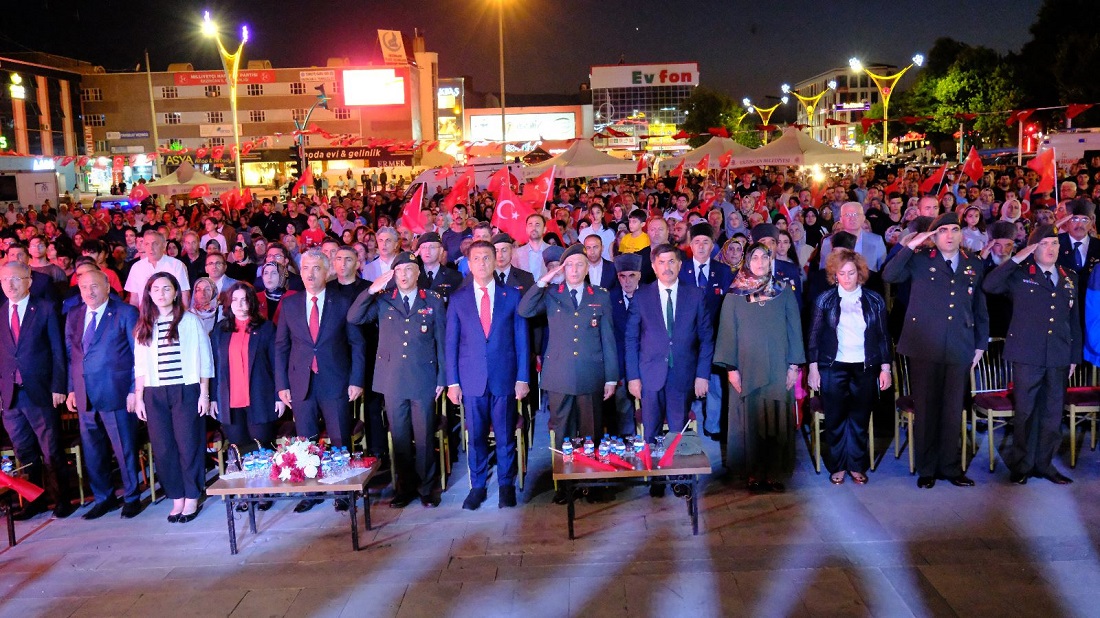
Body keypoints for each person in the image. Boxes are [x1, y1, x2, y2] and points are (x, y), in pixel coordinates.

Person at [882, 212, 988, 489]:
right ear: (934, 236)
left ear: (961, 234)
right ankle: (927, 468)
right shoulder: (918, 260)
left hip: (959, 345)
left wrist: (980, 344)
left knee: (953, 410)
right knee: (927, 410)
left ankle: (951, 467)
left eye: (955, 229)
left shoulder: (973, 263)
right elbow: (890, 274)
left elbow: (979, 307)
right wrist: (912, 244)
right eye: (942, 231)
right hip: (924, 344)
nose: (950, 235)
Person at [518, 244, 618, 504]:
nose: (574, 270)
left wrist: (611, 377)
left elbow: (608, 338)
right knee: (563, 434)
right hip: (559, 375)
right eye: (569, 265)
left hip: (590, 374)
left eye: (579, 265)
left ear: (587, 269)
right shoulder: (552, 294)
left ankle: (591, 483)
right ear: (563, 269)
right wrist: (545, 279)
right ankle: (565, 486)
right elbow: (525, 310)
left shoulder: (600, 295)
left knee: (591, 432)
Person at [348, 252, 446, 508]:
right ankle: (404, 488)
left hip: (423, 377)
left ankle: (426, 489)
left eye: (409, 270)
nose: (404, 275)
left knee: (424, 437)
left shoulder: (433, 300)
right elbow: (354, 317)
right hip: (392, 380)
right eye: (399, 270)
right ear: (392, 275)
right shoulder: (383, 301)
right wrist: (371, 289)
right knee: (400, 436)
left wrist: (443, 378)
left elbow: (442, 342)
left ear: (418, 273)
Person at [984, 225, 1079, 485]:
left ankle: (1045, 464)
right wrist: (1016, 257)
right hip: (1027, 353)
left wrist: (1073, 356)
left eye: (1055, 244)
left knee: (1052, 413)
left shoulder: (1069, 276)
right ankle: (1022, 464)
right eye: (1044, 244)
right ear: (1033, 248)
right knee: (1025, 412)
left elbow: (1074, 320)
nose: (1051, 249)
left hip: (1058, 354)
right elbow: (990, 285)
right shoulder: (1020, 274)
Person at [275, 249, 366, 513]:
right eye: (305, 268)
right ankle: (311, 491)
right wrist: (282, 384)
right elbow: (281, 346)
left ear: (327, 271)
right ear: (299, 272)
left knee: (339, 438)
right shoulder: (290, 304)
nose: (310, 274)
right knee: (305, 440)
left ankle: (341, 492)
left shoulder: (343, 301)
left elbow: (357, 344)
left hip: (336, 381)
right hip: (300, 383)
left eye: (316, 268)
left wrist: (356, 379)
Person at [445, 240, 529, 510]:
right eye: (476, 259)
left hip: (504, 377)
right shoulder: (458, 299)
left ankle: (506, 484)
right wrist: (453, 382)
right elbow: (451, 343)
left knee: (505, 435)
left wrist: (523, 377)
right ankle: (478, 486)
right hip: (471, 380)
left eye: (486, 258)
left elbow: (522, 340)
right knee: (477, 436)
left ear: (496, 261)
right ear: (469, 264)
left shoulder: (512, 296)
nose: (481, 263)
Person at [713, 243, 804, 493]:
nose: (761, 262)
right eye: (755, 257)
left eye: (765, 257)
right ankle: (752, 473)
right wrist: (731, 368)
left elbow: (795, 329)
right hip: (746, 368)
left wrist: (794, 366)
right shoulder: (734, 295)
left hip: (778, 368)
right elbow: (727, 334)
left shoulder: (784, 291)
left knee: (775, 420)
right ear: (747, 262)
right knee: (749, 421)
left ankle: (774, 473)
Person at [625, 244, 713, 496]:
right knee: (651, 431)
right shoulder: (642, 296)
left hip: (682, 375)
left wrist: (702, 374)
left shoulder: (695, 295)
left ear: (679, 265)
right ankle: (656, 480)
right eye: (661, 262)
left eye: (671, 261)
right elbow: (631, 339)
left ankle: (679, 478)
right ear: (653, 266)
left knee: (678, 430)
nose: (667, 267)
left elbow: (706, 338)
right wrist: (633, 377)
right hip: (649, 375)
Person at [806, 249, 892, 485]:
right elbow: (813, 336)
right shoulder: (824, 299)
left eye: (851, 273)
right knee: (835, 419)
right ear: (835, 275)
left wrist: (886, 368)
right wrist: (813, 368)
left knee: (859, 418)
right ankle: (837, 466)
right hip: (833, 366)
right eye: (841, 273)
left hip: (865, 366)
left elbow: (884, 336)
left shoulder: (874, 300)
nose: (846, 277)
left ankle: (856, 465)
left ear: (860, 274)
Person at [133, 272, 214, 523]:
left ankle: (192, 496)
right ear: (149, 294)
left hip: (185, 390)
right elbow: (140, 366)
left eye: (166, 289)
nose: (161, 293)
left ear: (176, 292)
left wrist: (204, 394)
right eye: (156, 289)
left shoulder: (189, 320)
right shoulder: (144, 324)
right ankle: (176, 496)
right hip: (155, 393)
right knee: (164, 448)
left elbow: (205, 359)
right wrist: (139, 398)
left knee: (188, 444)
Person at [65, 269, 144, 519]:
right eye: (84, 287)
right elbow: (73, 357)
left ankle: (132, 497)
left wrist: (134, 390)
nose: (89, 291)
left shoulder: (125, 312)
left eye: (95, 286)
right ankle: (104, 497)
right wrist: (70, 389)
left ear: (108, 287)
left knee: (124, 448)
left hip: (117, 393)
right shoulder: (74, 315)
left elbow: (137, 355)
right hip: (84, 395)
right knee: (93, 450)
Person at [0, 260, 73, 519]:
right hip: (10, 396)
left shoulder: (44, 308)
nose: (10, 284)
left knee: (51, 449)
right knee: (24, 451)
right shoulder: (0, 312)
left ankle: (62, 499)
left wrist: (58, 386)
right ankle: (35, 500)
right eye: (5, 279)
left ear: (29, 281)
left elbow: (57, 351)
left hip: (41, 391)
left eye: (16, 279)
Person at [210, 283, 284, 510]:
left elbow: (277, 363)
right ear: (228, 303)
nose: (240, 305)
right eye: (235, 300)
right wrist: (213, 397)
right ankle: (245, 492)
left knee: (261, 447)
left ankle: (263, 491)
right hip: (229, 399)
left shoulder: (266, 328)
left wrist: (279, 395)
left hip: (260, 397)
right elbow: (213, 367)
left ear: (252, 302)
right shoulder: (220, 330)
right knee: (239, 448)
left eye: (244, 300)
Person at [679, 222, 734, 438]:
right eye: (696, 242)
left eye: (706, 242)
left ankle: (713, 426)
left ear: (713, 246)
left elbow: (729, 305)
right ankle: (682, 425)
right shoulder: (681, 269)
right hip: (686, 338)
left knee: (715, 384)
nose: (701, 246)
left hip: (715, 336)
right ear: (690, 245)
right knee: (684, 383)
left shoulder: (723, 271)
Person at [608, 253, 642, 437]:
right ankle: (626, 443)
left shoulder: (649, 295)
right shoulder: (610, 298)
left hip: (646, 363)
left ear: (640, 275)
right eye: (622, 276)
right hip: (619, 363)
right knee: (622, 409)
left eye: (632, 276)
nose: (627, 281)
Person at [125, 230, 191, 308]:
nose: (151, 248)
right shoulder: (136, 267)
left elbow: (184, 296)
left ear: (164, 245)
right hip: (145, 316)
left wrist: (182, 318)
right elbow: (134, 299)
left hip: (171, 316)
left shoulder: (176, 265)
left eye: (155, 244)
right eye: (147, 244)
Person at [816, 202, 888, 271]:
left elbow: (884, 271)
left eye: (856, 214)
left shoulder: (876, 241)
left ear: (863, 218)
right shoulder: (829, 242)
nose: (852, 218)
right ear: (841, 219)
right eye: (847, 215)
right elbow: (824, 273)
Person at [415, 232, 462, 303]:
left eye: (432, 247)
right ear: (419, 252)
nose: (427, 251)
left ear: (441, 251)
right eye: (424, 247)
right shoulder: (414, 276)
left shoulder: (455, 277)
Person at [511, 213, 550, 280]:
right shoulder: (517, 253)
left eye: (537, 224)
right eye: (530, 225)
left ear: (544, 229)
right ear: (526, 229)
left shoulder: (552, 251)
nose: (533, 228)